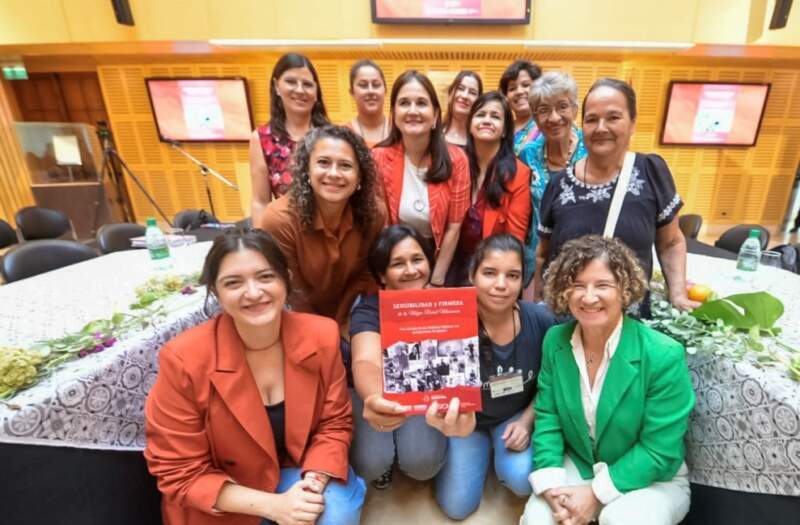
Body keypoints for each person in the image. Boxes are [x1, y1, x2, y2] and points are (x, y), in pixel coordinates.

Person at [144, 229, 365, 525]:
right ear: (216, 291)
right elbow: (178, 470)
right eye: (233, 283)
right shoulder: (183, 359)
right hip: (227, 492)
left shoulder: (322, 335)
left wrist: (315, 478)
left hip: (298, 470)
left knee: (333, 516)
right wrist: (274, 507)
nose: (253, 292)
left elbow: (334, 423)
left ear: (286, 279)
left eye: (265, 277)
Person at [521, 235, 694, 525]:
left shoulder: (663, 355)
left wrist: (594, 493)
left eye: (602, 285)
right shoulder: (555, 341)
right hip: (581, 462)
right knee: (538, 520)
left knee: (621, 519)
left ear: (625, 289)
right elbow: (548, 417)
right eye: (577, 285)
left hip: (650, 477)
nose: (588, 297)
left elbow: (658, 450)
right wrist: (551, 485)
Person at [532, 78, 698, 313]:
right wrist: (539, 309)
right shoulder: (559, 184)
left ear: (632, 123)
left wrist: (678, 294)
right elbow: (543, 255)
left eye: (613, 117)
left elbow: (670, 242)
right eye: (591, 119)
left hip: (628, 324)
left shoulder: (650, 171)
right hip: (567, 321)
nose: (601, 128)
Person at [431, 234, 557, 520]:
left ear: (524, 280)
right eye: (489, 273)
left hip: (513, 416)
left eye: (512, 275)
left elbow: (552, 380)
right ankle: (472, 455)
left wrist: (527, 421)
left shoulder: (541, 321)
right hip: (466, 424)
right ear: (472, 275)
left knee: (523, 480)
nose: (501, 285)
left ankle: (497, 458)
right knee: (456, 507)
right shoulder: (450, 322)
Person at [349, 225, 448, 489]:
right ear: (382, 275)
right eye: (398, 264)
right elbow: (365, 360)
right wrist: (375, 399)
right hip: (379, 389)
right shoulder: (369, 310)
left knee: (423, 464)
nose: (411, 270)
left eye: (417, 259)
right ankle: (383, 463)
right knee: (370, 464)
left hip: (424, 390)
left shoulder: (448, 303)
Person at [259, 125, 385, 333]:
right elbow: (291, 290)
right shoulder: (279, 220)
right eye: (323, 163)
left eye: (345, 166)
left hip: (350, 312)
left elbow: (364, 275)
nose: (334, 174)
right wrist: (323, 332)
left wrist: (341, 322)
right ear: (307, 171)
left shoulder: (375, 214)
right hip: (294, 318)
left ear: (360, 177)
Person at [372, 70, 471, 286]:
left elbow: (454, 228)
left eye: (421, 103)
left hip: (442, 263)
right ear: (394, 113)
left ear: (435, 114)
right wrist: (393, 278)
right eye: (404, 103)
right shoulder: (378, 158)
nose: (413, 110)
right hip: (396, 264)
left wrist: (435, 281)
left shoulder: (456, 160)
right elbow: (382, 225)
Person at [446, 91, 532, 286]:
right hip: (449, 262)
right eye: (480, 114)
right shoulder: (453, 163)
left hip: (494, 270)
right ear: (469, 125)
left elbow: (514, 239)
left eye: (495, 116)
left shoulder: (519, 173)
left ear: (504, 130)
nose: (487, 120)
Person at [519, 71, 588, 293]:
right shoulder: (526, 155)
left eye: (562, 106)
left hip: (586, 261)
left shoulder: (592, 150)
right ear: (534, 117)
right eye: (543, 110)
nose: (554, 117)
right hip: (535, 260)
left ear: (575, 110)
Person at [249, 53, 329, 225]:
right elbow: (260, 202)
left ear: (316, 93)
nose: (300, 90)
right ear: (277, 87)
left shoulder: (330, 136)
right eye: (291, 82)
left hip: (330, 235)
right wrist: (262, 246)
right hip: (285, 234)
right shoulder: (262, 139)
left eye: (307, 84)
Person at [498, 60, 543, 154]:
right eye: (512, 88)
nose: (519, 91)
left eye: (526, 85)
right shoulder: (502, 129)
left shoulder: (547, 125)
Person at [345, 59, 389, 147]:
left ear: (385, 90)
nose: (370, 91)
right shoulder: (342, 134)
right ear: (352, 92)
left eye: (376, 85)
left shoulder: (400, 129)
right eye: (363, 85)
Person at [443, 70, 483, 148]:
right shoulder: (433, 135)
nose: (465, 96)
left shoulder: (481, 141)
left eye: (472, 92)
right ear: (450, 94)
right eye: (460, 88)